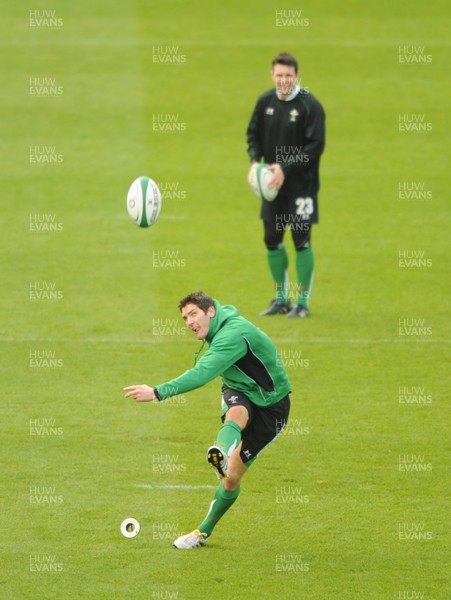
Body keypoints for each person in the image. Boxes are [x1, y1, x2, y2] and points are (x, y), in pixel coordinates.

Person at [124, 291, 291, 549]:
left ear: (210, 311)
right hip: (239, 388)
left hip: (273, 406)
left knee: (231, 480)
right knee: (236, 413)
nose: (189, 322)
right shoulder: (218, 329)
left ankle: (205, 530)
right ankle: (221, 453)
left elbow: (201, 374)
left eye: (194, 314)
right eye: (185, 318)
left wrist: (156, 392)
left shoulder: (232, 335)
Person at [246, 52, 326, 318]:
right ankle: (281, 299)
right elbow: (252, 135)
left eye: (288, 76)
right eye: (279, 75)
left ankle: (301, 303)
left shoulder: (309, 106)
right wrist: (254, 162)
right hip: (272, 187)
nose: (283, 81)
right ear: (272, 75)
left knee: (301, 240)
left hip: (302, 188)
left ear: (297, 76)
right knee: (271, 239)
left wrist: (285, 167)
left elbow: (315, 148)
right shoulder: (264, 102)